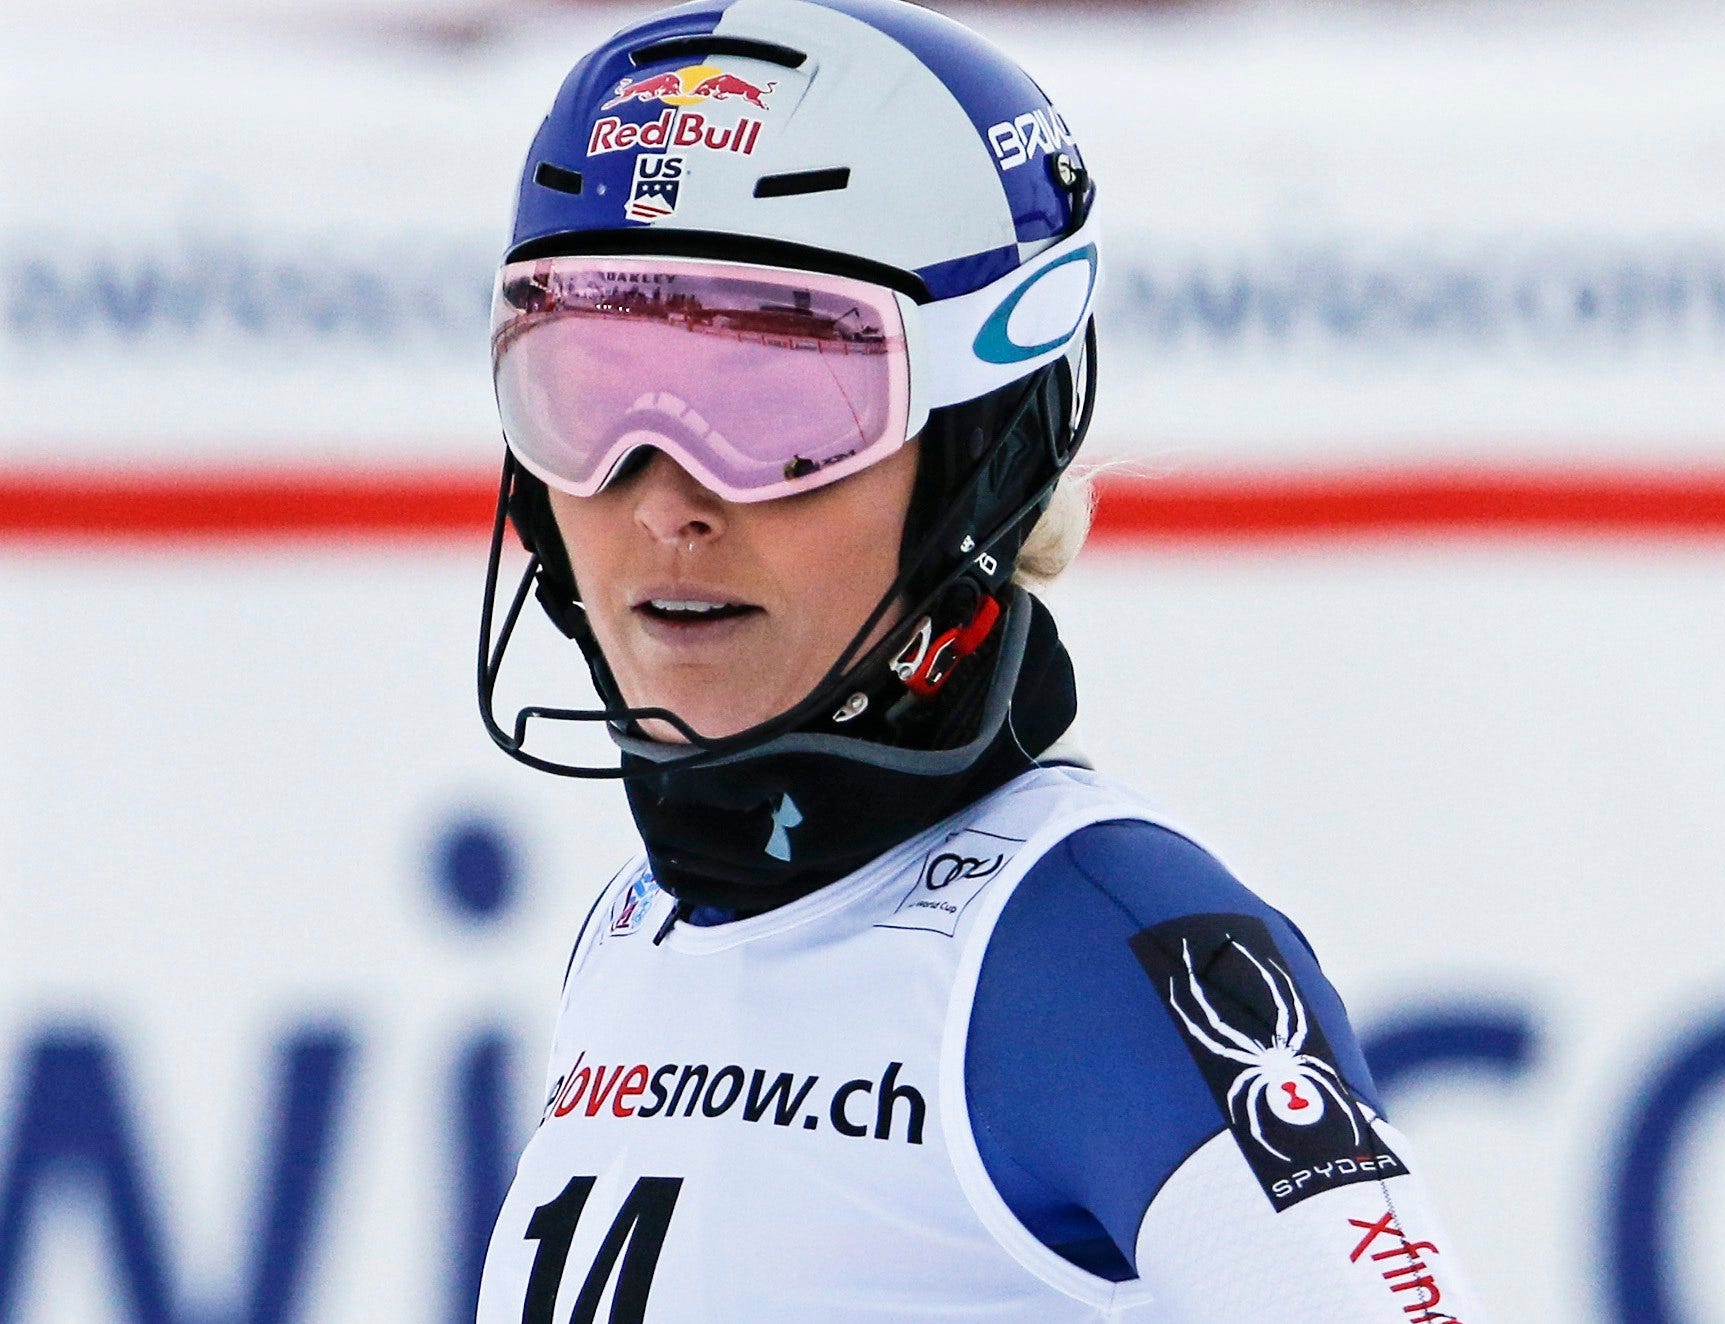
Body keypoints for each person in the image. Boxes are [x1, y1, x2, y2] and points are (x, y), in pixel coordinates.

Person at [473, 0, 1485, 1318]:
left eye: (776, 407)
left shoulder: (1096, 946)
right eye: (595, 387)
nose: (663, 501)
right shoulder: (637, 927)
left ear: (980, 455)